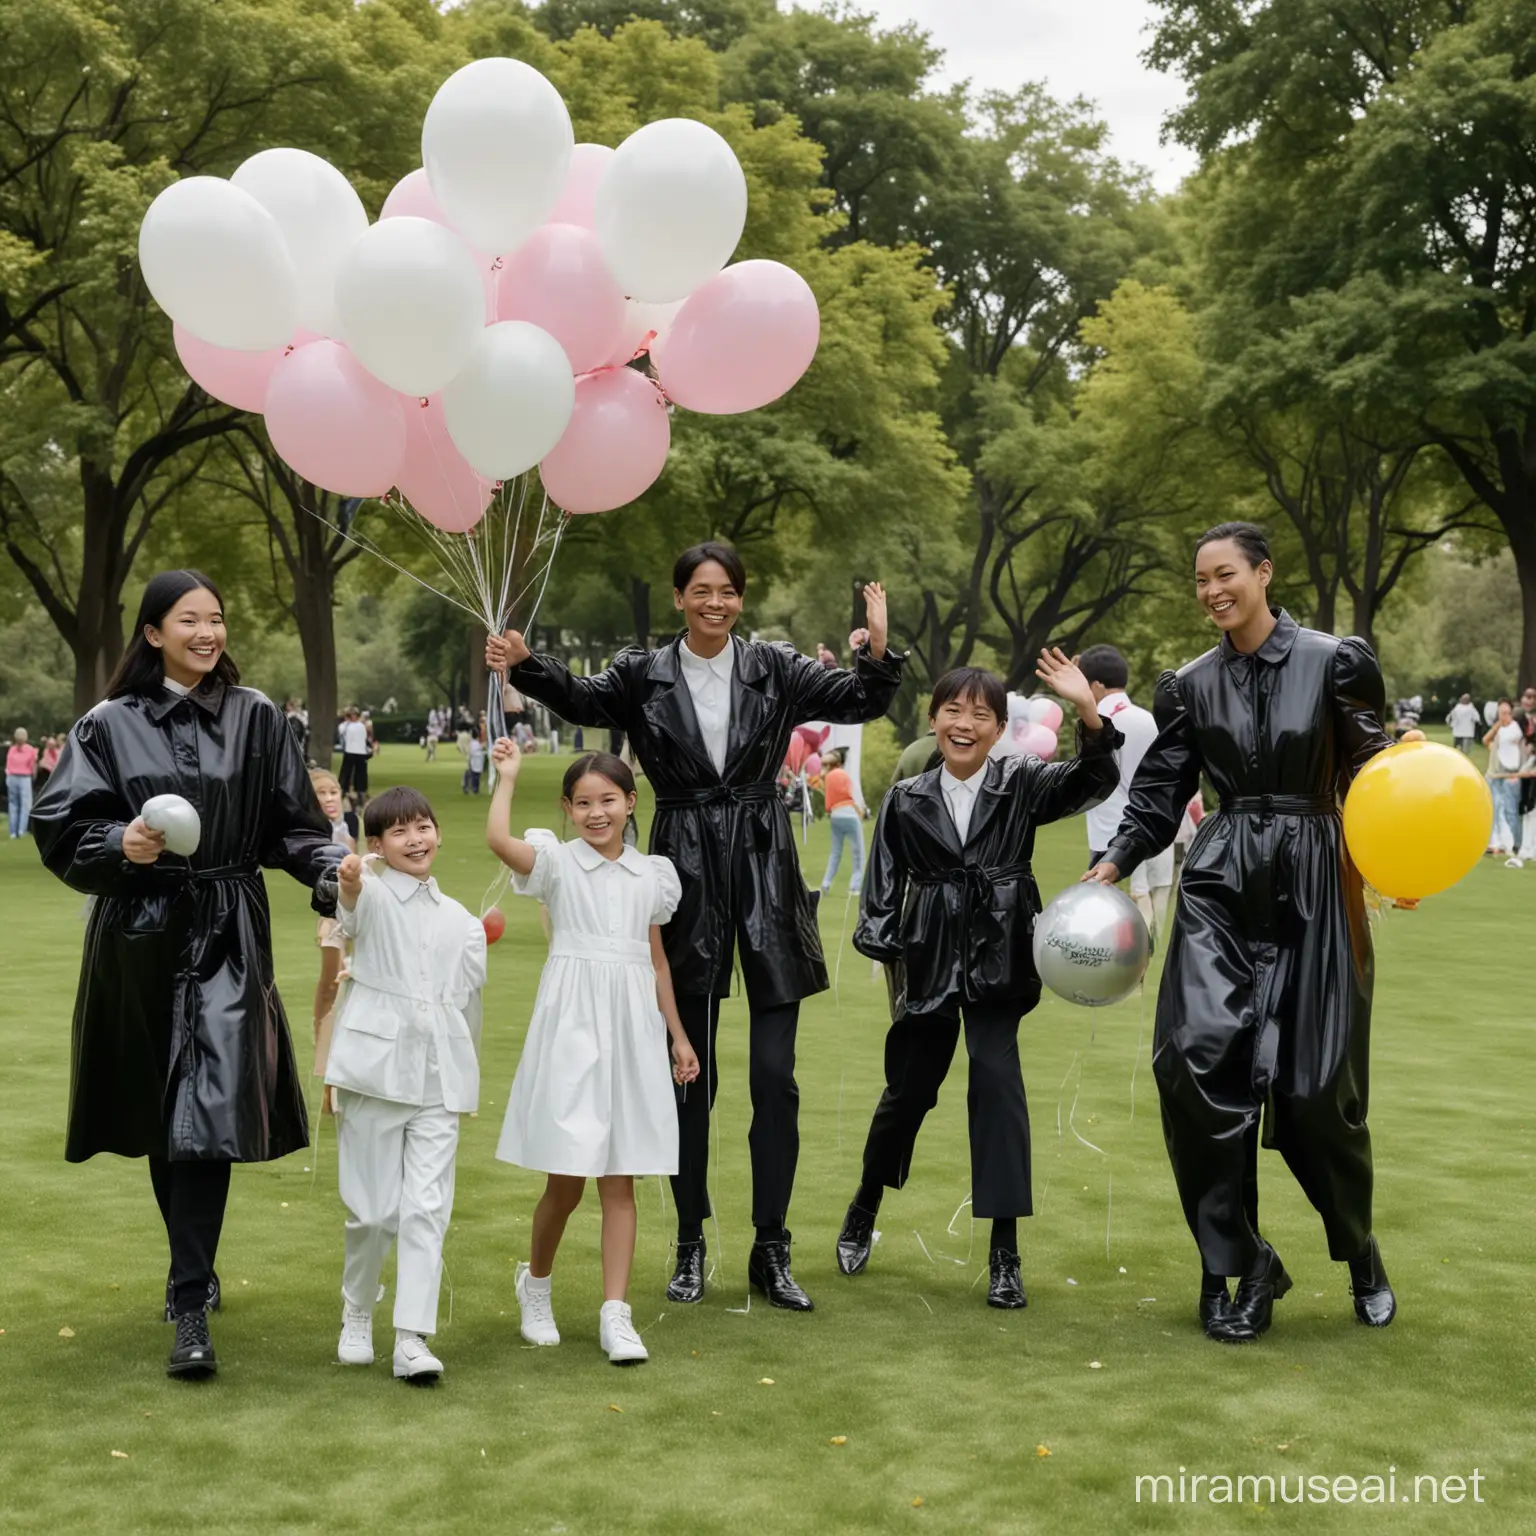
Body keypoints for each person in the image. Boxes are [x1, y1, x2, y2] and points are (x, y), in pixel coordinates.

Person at [487, 542, 903, 1310]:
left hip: (764, 862)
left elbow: (860, 701)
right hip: (681, 863)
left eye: (729, 591)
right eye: (701, 590)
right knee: (689, 1075)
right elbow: (580, 699)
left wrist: (877, 646)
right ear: (679, 597)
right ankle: (689, 1242)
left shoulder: (774, 669)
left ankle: (771, 1251)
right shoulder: (643, 672)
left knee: (776, 1080)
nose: (716, 602)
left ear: (740, 600)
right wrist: (526, 663)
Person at [1085, 522, 1401, 1344]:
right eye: (1200, 579)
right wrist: (1115, 862)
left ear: (1264, 573)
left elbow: (1378, 772)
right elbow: (1159, 796)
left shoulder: (1337, 660)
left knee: (1313, 1092)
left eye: (1225, 574)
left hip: (1318, 879)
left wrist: (1397, 858)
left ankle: (1359, 1249)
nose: (1212, 591)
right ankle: (1239, 1264)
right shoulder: (1187, 686)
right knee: (1192, 1067)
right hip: (1221, 879)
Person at [31, 569, 343, 1379]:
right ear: (153, 632)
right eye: (189, 620)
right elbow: (63, 825)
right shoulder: (108, 724)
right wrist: (117, 846)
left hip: (228, 929)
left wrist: (333, 869)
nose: (207, 633)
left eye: (216, 618)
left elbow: (292, 828)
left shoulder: (259, 717)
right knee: (170, 1111)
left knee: (208, 1114)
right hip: (140, 934)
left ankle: (190, 1296)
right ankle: (191, 1272)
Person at [838, 658, 1121, 1307]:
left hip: (999, 955)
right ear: (934, 717)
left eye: (981, 714)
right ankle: (865, 1203)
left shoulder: (1021, 781)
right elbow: (881, 888)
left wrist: (1086, 713)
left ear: (998, 728)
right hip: (929, 953)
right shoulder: (908, 799)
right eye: (953, 711)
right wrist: (885, 944)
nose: (965, 724)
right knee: (907, 1092)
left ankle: (1003, 1251)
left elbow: (1092, 781)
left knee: (997, 1088)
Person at [486, 742, 700, 1364]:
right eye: (583, 803)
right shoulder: (555, 863)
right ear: (568, 809)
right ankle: (538, 1285)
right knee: (567, 1178)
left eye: (608, 800)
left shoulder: (652, 874)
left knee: (620, 1177)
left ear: (631, 803)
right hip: (573, 1027)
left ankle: (616, 1314)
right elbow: (501, 842)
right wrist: (506, 778)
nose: (597, 812)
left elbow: (656, 960)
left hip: (633, 1027)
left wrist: (678, 1036)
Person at [325, 787, 486, 1382]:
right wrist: (347, 878)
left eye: (423, 826)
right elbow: (348, 906)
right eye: (399, 832)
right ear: (377, 845)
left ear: (438, 833)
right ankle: (358, 1309)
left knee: (427, 1209)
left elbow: (469, 1006)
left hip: (439, 1081)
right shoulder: (369, 892)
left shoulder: (462, 921)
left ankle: (412, 1335)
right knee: (371, 1213)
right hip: (374, 1070)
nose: (415, 839)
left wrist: (463, 1081)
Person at [1078, 644, 1176, 947]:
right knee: (1144, 889)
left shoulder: (1098, 722)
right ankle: (1146, 944)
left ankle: (1130, 951)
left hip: (1110, 823)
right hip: (1148, 819)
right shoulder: (1146, 717)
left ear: (1095, 684)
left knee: (1115, 897)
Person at [309, 769, 356, 1117]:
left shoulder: (348, 828)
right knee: (332, 987)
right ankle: (326, 1072)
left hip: (357, 918)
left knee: (351, 990)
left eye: (333, 791)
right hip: (333, 921)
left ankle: (342, 1077)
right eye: (321, 793)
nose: (329, 798)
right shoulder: (312, 835)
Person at [818, 748, 866, 899]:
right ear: (839, 763)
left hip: (835, 815)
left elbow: (827, 805)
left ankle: (826, 883)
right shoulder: (844, 775)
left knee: (835, 853)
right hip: (850, 814)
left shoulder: (827, 777)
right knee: (858, 853)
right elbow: (852, 794)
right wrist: (861, 811)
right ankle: (855, 887)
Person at [1483, 700, 1525, 859]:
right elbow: (1486, 741)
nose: (1504, 717)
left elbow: (1513, 741)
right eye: (1501, 713)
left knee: (1509, 810)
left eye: (1507, 713)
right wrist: (1497, 726)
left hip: (1510, 773)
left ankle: (1513, 843)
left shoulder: (1515, 729)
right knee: (1494, 809)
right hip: (1495, 774)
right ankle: (1495, 842)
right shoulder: (1498, 729)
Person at [7, 727, 38, 838]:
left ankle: (12, 832)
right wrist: (34, 776)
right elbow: (32, 766)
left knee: (13, 804)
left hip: (12, 777)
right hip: (24, 778)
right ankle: (21, 830)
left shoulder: (12, 749)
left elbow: (8, 765)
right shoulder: (30, 750)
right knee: (25, 805)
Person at [338, 707, 371, 809]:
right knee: (346, 774)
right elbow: (341, 733)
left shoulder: (361, 725)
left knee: (360, 775)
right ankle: (343, 792)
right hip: (350, 751)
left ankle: (360, 795)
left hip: (360, 752)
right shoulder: (345, 726)